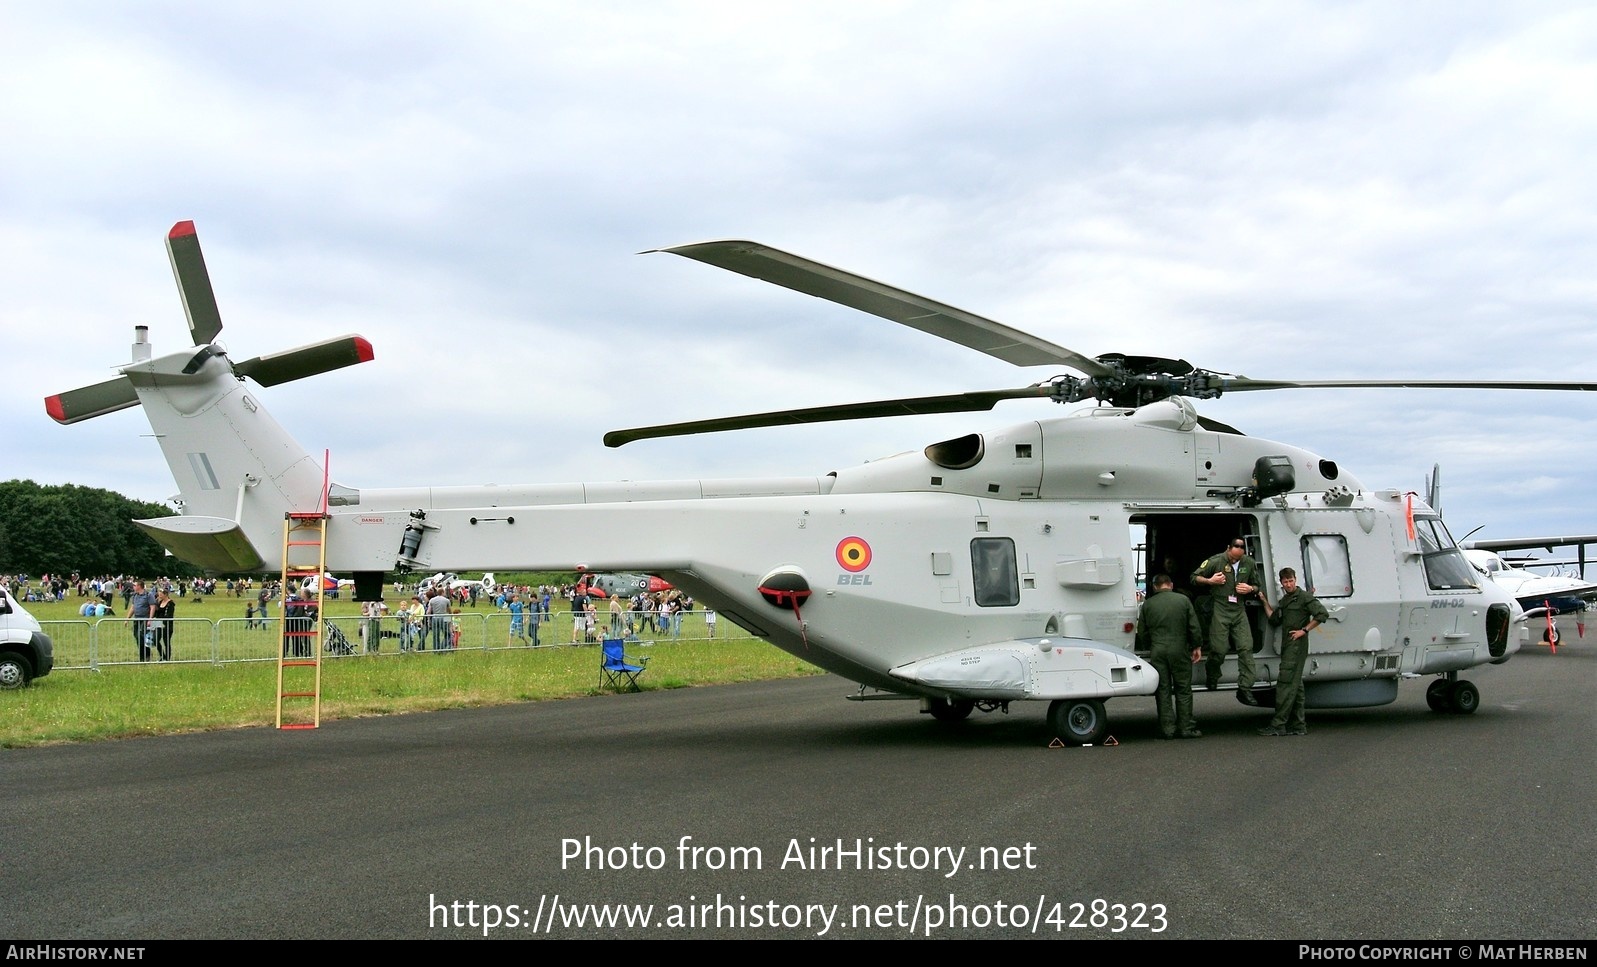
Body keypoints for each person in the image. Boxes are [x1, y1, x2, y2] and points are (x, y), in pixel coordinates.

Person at [1258, 567, 1329, 736]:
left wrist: (1304, 630)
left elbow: (1322, 614)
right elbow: (1274, 619)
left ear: (1295, 580)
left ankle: (1278, 725)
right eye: (1285, 582)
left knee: (1285, 684)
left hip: (1296, 646)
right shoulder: (1286, 600)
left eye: (1291, 581)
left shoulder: (1304, 597)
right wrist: (1263, 600)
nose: (1289, 584)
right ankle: (1298, 725)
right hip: (1288, 646)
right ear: (1281, 583)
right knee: (1296, 686)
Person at [1192, 538, 1265, 703]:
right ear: (1228, 549)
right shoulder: (1216, 561)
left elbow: (1257, 585)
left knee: (1246, 648)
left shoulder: (1249, 563)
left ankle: (1245, 687)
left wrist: (1250, 589)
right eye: (1232, 558)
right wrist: (1210, 581)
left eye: (1238, 559)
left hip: (1239, 609)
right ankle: (1212, 674)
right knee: (1219, 649)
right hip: (1220, 608)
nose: (1235, 561)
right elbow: (1194, 577)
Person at [1136, 574, 1204, 739]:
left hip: (1158, 651)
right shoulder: (1183, 601)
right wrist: (1196, 646)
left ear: (1154, 587)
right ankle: (1186, 728)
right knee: (1183, 690)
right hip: (1179, 650)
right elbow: (1193, 627)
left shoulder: (1147, 605)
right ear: (1171, 585)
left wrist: (1149, 646)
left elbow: (1142, 631)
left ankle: (1167, 729)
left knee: (1163, 690)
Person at [127, 580, 156, 661]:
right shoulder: (135, 595)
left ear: (139, 586)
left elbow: (152, 607)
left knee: (141, 637)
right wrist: (127, 619)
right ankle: (146, 653)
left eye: (134, 585)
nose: (133, 587)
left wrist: (150, 619)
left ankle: (144, 657)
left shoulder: (148, 595)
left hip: (145, 619)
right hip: (137, 618)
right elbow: (133, 607)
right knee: (137, 637)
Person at [152, 588, 176, 661]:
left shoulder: (170, 603)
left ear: (165, 594)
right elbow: (156, 614)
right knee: (155, 640)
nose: (159, 596)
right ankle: (162, 655)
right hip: (158, 625)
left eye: (161, 594)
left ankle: (167, 658)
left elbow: (169, 615)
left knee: (166, 642)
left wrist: (163, 621)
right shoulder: (159, 603)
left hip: (167, 625)